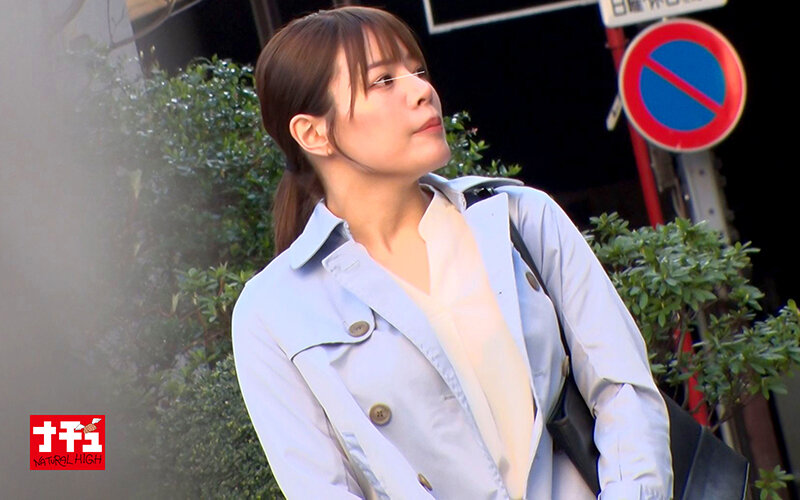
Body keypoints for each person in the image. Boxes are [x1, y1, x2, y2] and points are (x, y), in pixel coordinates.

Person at [232, 6, 672, 499]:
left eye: (418, 71)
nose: (422, 91)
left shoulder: (519, 219)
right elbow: (322, 489)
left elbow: (624, 391)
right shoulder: (272, 311)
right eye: (383, 81)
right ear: (314, 133)